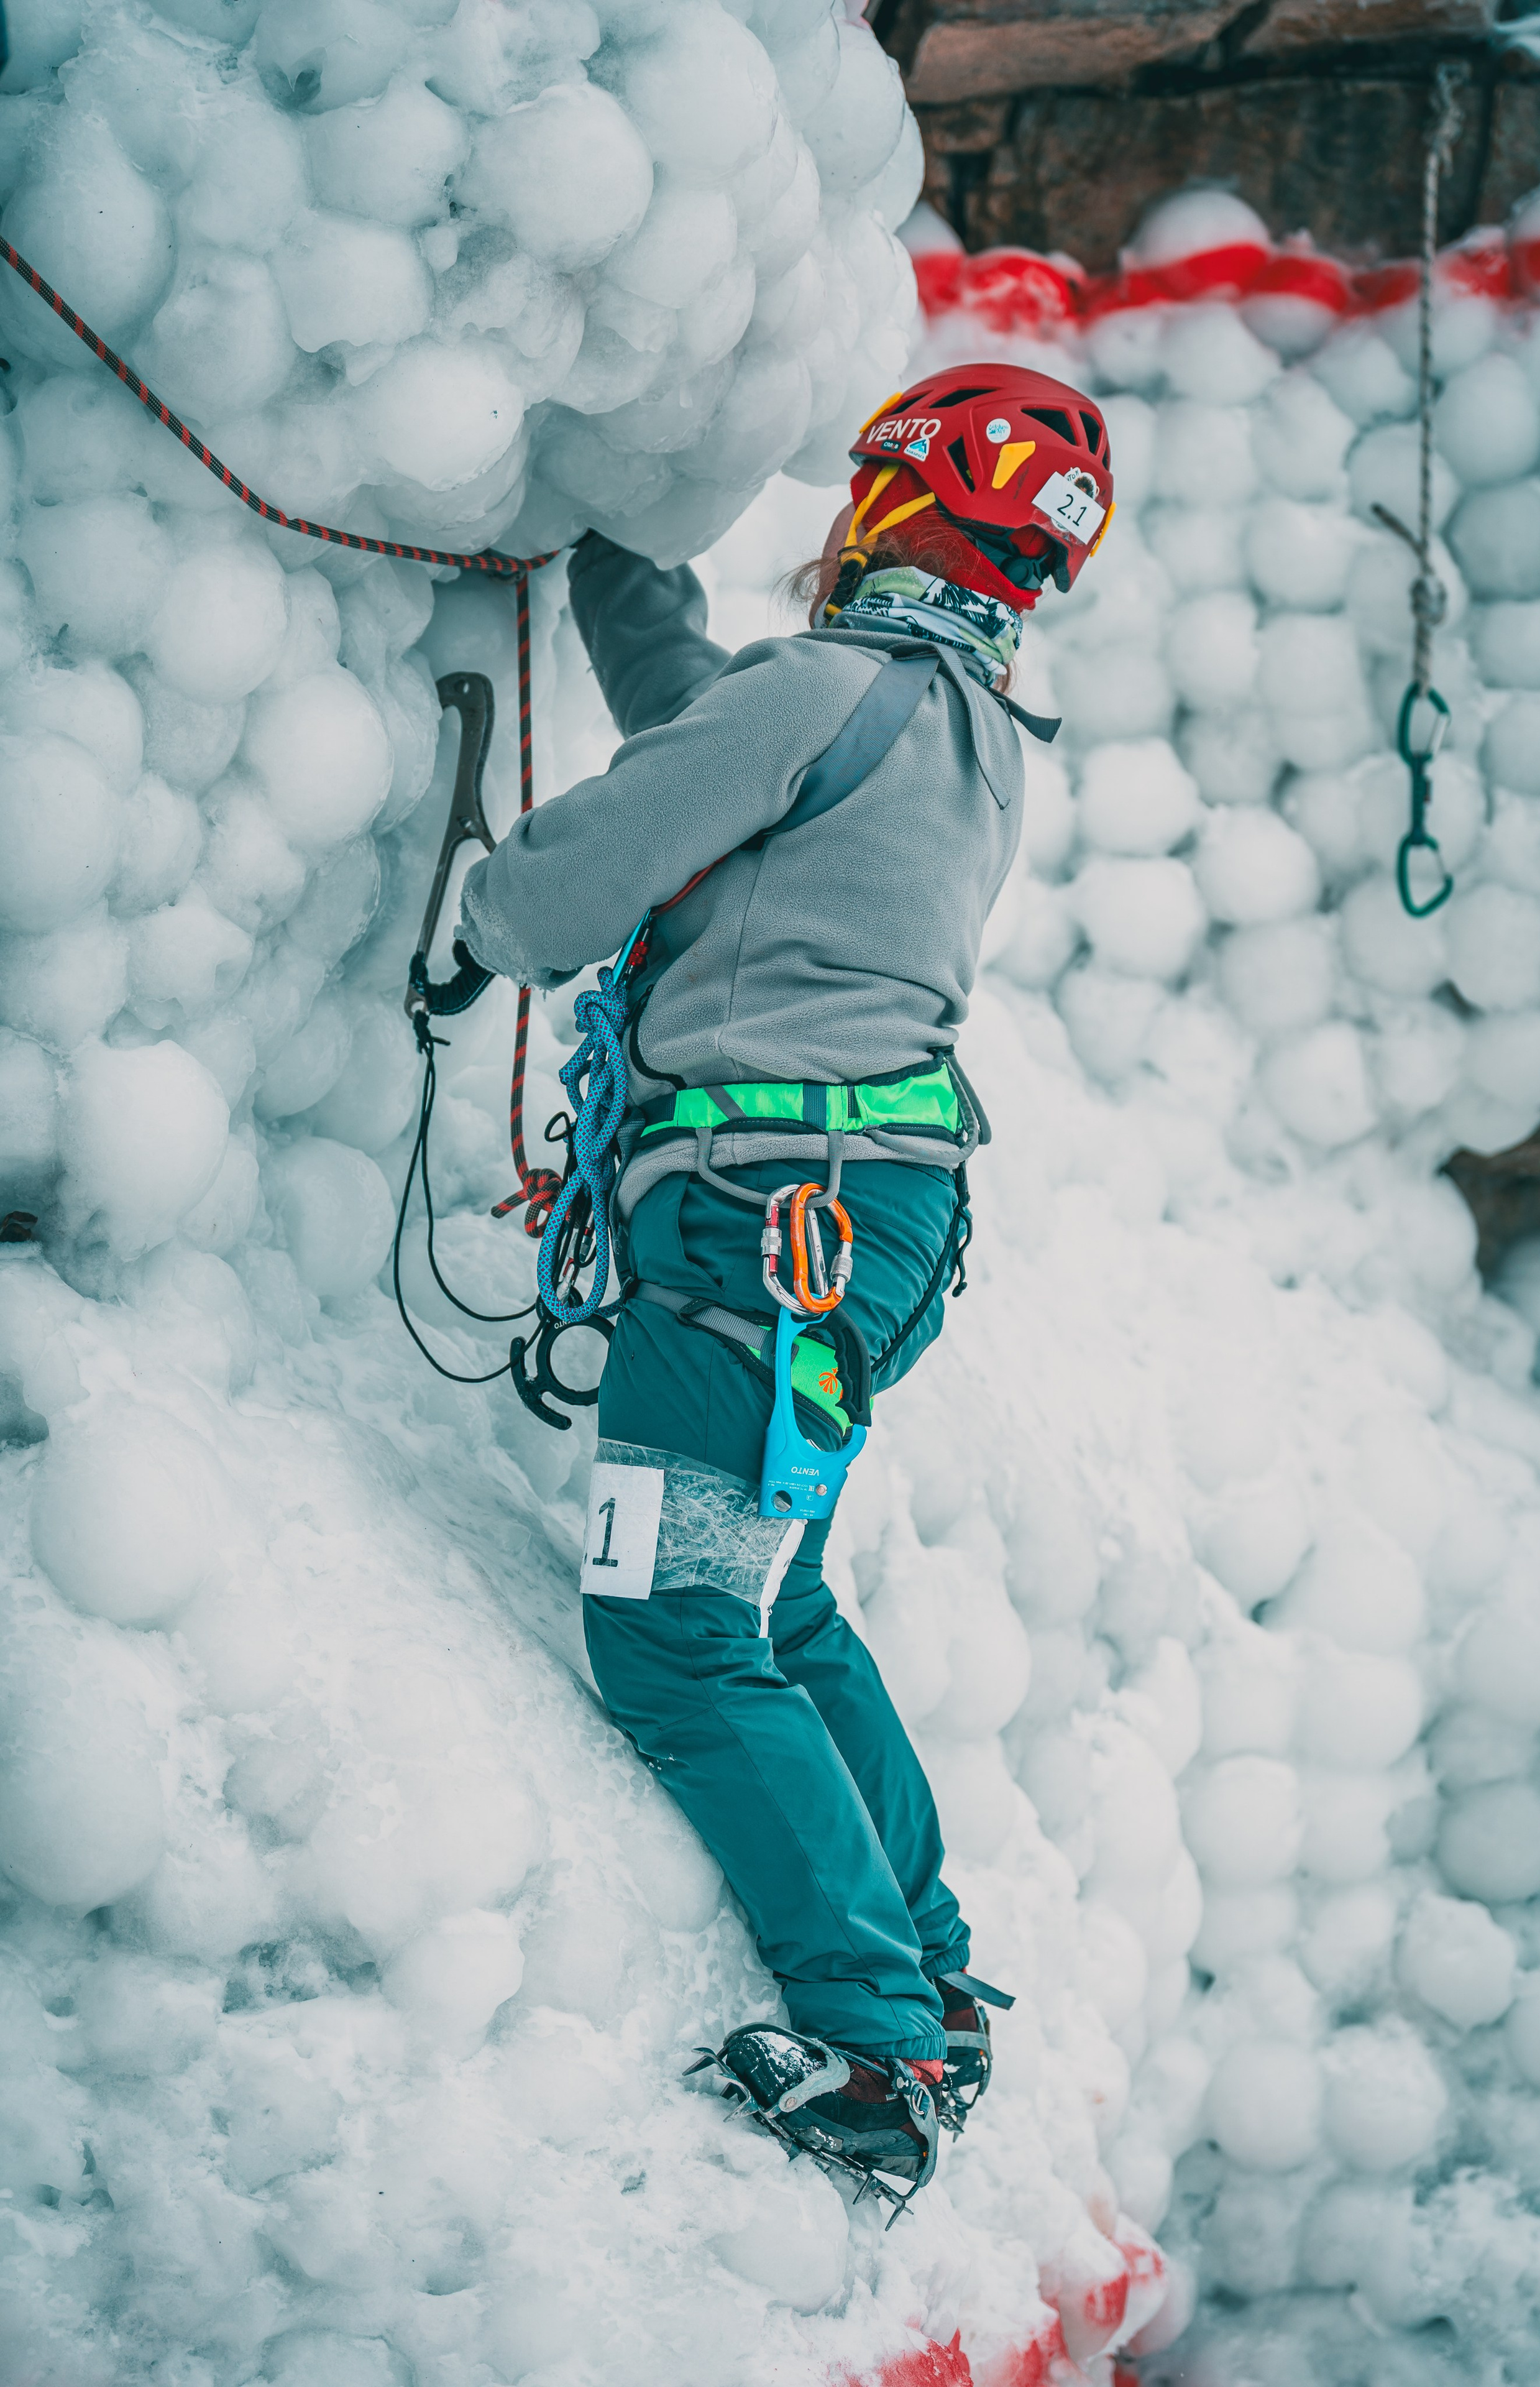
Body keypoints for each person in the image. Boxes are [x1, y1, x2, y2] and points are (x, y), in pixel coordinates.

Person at [461, 366, 1115, 2203]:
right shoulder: (953, 726)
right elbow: (711, 737)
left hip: (765, 1216)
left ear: (898, 508)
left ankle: (882, 2048)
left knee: (674, 1628)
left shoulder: (828, 693)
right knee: (779, 1597)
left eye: (861, 493)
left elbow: (556, 897)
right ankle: (928, 1979)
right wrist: (602, 537)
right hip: (856, 1225)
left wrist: (477, 921)